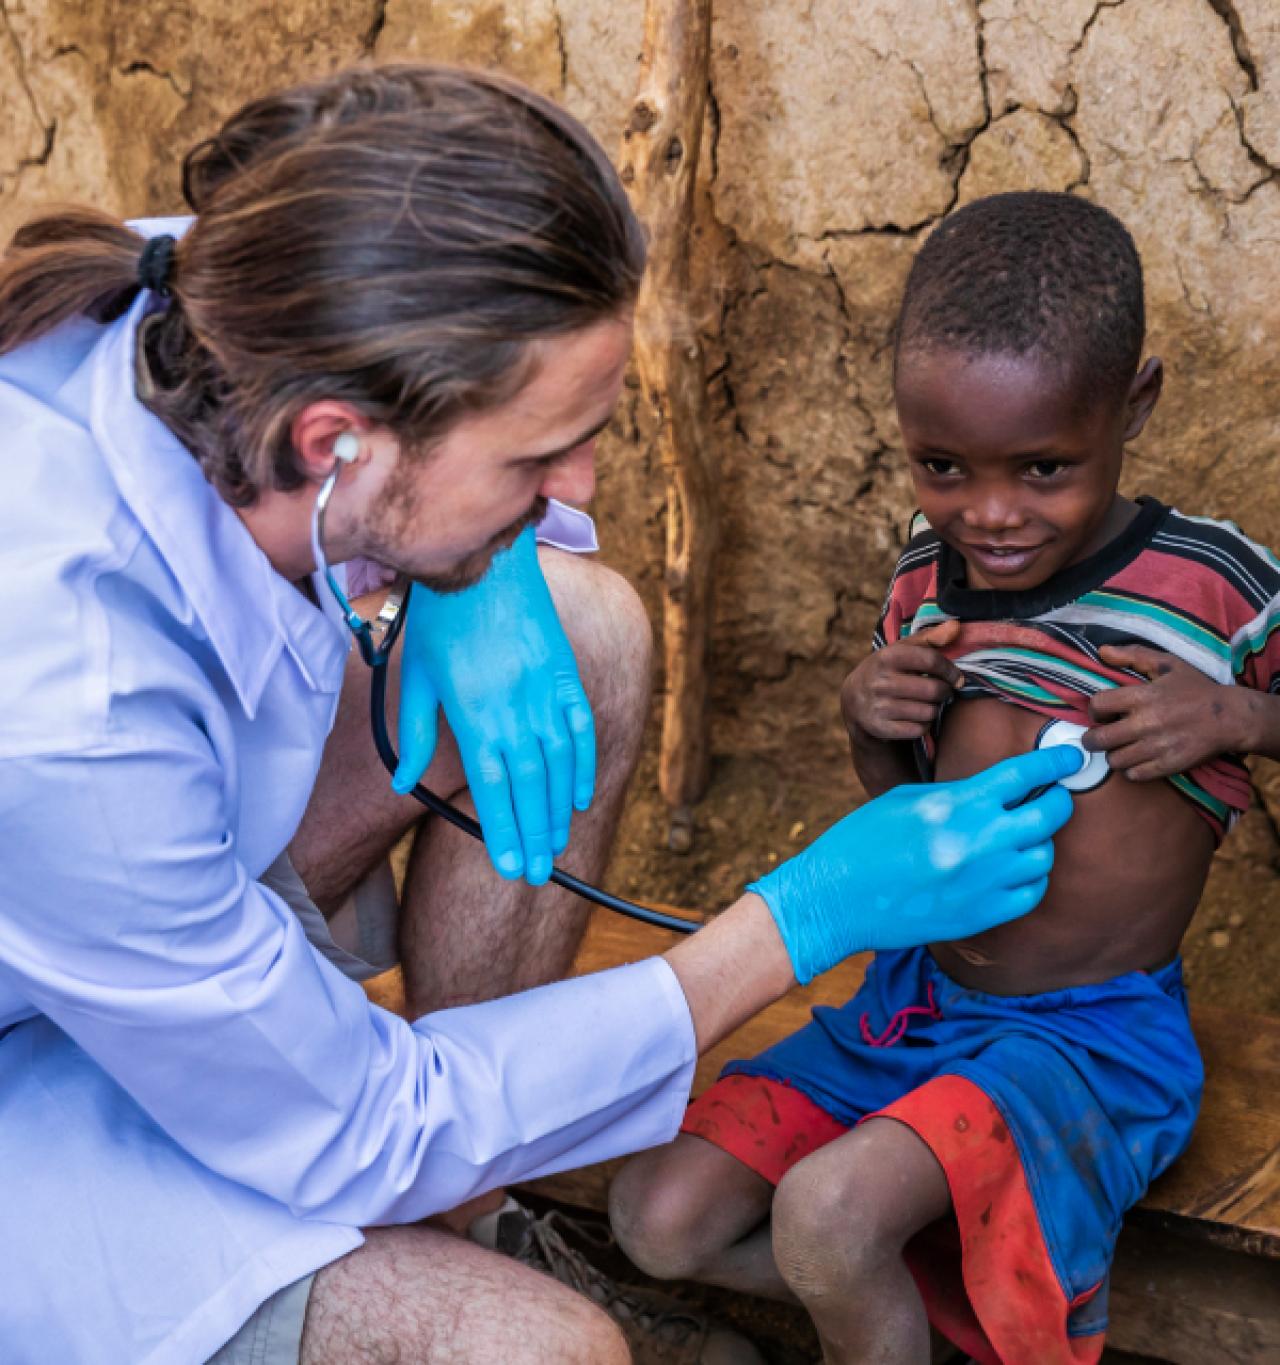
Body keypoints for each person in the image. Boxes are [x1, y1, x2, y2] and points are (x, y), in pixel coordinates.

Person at [0, 70, 1080, 1365]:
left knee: (584, 627)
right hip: (44, 1065)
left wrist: (493, 565)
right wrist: (802, 919)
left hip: (135, 915)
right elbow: (360, 1125)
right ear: (335, 442)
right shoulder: (65, 701)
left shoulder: (223, 290)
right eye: (535, 457)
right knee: (546, 1353)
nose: (578, 487)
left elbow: (453, 478)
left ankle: (475, 1209)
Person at [610, 190, 1280, 1365]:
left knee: (825, 1216)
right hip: (910, 1006)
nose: (990, 514)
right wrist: (868, 719)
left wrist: (1233, 713)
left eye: (1040, 467)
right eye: (941, 466)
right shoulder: (929, 576)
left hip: (1082, 1039)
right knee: (653, 1219)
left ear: (1134, 403)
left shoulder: (1215, 586)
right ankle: (912, 1313)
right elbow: (904, 812)